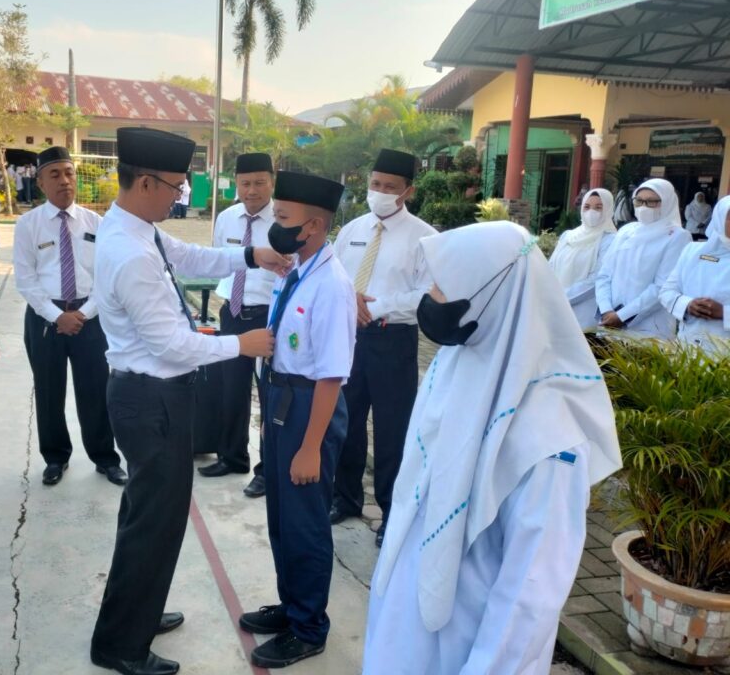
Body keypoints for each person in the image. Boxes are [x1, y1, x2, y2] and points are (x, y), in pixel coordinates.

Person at [364, 221, 622, 675]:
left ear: (489, 293)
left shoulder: (550, 436)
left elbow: (531, 593)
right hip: (405, 613)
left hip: (466, 641)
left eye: (444, 285)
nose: (431, 297)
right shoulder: (458, 360)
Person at [90, 127, 285, 675]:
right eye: (176, 187)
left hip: (149, 395)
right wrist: (240, 344)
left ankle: (137, 612)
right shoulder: (130, 252)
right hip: (151, 399)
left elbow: (192, 256)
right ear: (145, 182)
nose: (180, 197)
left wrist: (254, 255)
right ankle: (120, 644)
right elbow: (172, 346)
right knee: (154, 521)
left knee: (149, 517)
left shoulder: (137, 229)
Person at [238, 170, 357, 669]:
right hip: (281, 398)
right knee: (282, 516)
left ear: (313, 226)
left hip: (310, 406)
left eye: (283, 217)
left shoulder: (331, 284)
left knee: (305, 523)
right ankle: (291, 606)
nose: (275, 223)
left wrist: (310, 448)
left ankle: (308, 627)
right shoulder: (296, 269)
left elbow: (331, 376)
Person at [329, 149, 436, 547]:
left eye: (390, 187)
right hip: (348, 338)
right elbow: (335, 275)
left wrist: (375, 307)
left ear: (408, 191)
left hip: (393, 340)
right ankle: (345, 497)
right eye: (376, 184)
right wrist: (349, 301)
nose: (380, 192)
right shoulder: (352, 229)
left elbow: (427, 293)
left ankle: (392, 513)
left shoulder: (426, 237)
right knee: (346, 421)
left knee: (393, 431)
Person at [15, 146, 126, 487]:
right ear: (40, 182)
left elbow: (106, 277)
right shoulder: (28, 225)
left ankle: (105, 457)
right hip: (44, 319)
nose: (64, 181)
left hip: (89, 319)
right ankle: (55, 457)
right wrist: (56, 316)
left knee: (96, 390)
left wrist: (82, 313)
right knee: (49, 392)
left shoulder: (97, 224)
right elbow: (26, 280)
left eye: (69, 173)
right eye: (55, 174)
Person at [199, 153, 277, 496]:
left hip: (268, 315)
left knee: (270, 394)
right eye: (245, 183)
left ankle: (267, 470)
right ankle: (232, 457)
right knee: (231, 390)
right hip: (232, 311)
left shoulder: (283, 221)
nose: (252, 190)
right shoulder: (227, 218)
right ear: (237, 184)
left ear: (272, 182)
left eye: (260, 182)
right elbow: (218, 259)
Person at [596, 179, 691, 340]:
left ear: (667, 202)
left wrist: (622, 316)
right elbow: (604, 274)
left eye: (652, 202)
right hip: (609, 322)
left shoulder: (677, 236)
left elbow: (662, 286)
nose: (643, 207)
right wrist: (606, 310)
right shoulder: (626, 230)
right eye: (639, 201)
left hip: (648, 329)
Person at [660, 195, 730, 355]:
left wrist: (724, 313)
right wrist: (688, 305)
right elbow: (667, 292)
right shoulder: (692, 251)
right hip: (688, 348)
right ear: (719, 219)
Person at [549, 188, 618, 329]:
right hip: (554, 308)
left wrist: (561, 297)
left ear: (608, 210)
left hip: (583, 313)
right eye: (587, 207)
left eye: (598, 207)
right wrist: (547, 294)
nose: (591, 212)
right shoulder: (568, 236)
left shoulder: (610, 240)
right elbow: (550, 267)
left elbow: (596, 279)